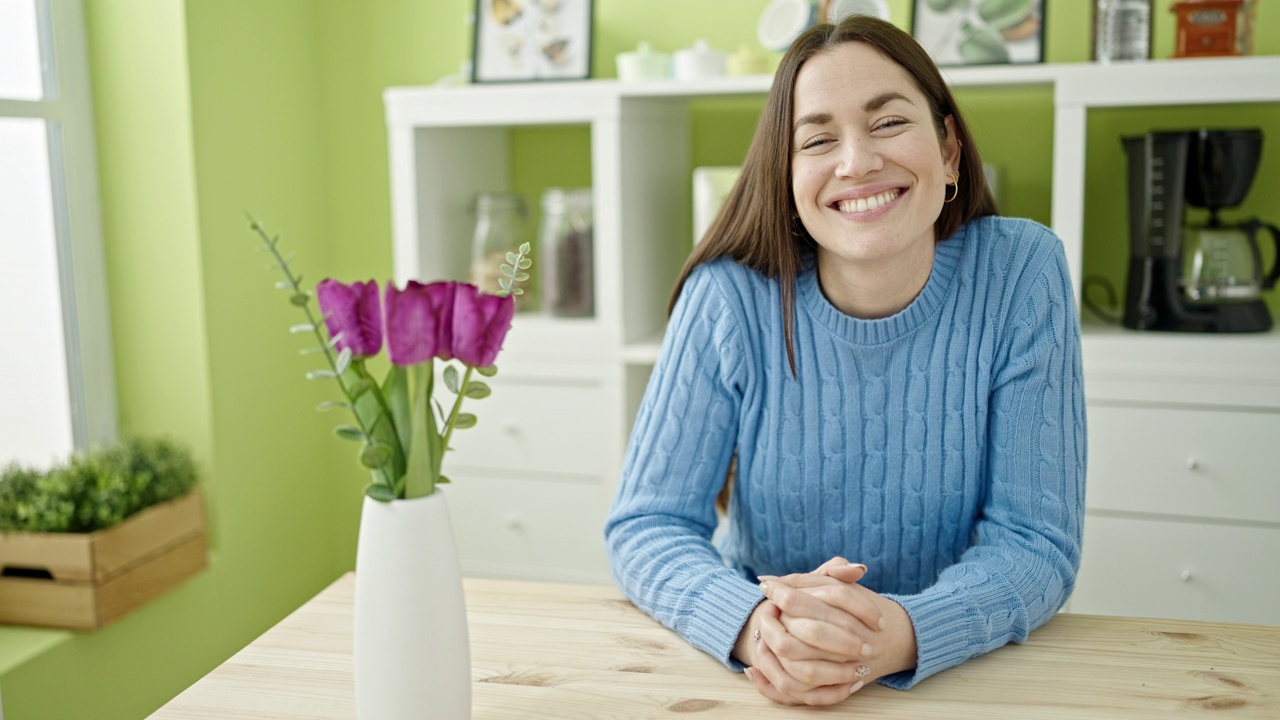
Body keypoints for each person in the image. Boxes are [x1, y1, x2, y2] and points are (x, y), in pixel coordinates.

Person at [603, 15, 1086, 708]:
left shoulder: (1020, 272)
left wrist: (899, 633)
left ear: (949, 150)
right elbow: (647, 525)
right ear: (788, 176)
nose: (855, 162)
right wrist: (754, 628)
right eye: (819, 139)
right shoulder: (729, 298)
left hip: (960, 676)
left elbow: (1036, 541)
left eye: (888, 123)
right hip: (769, 680)